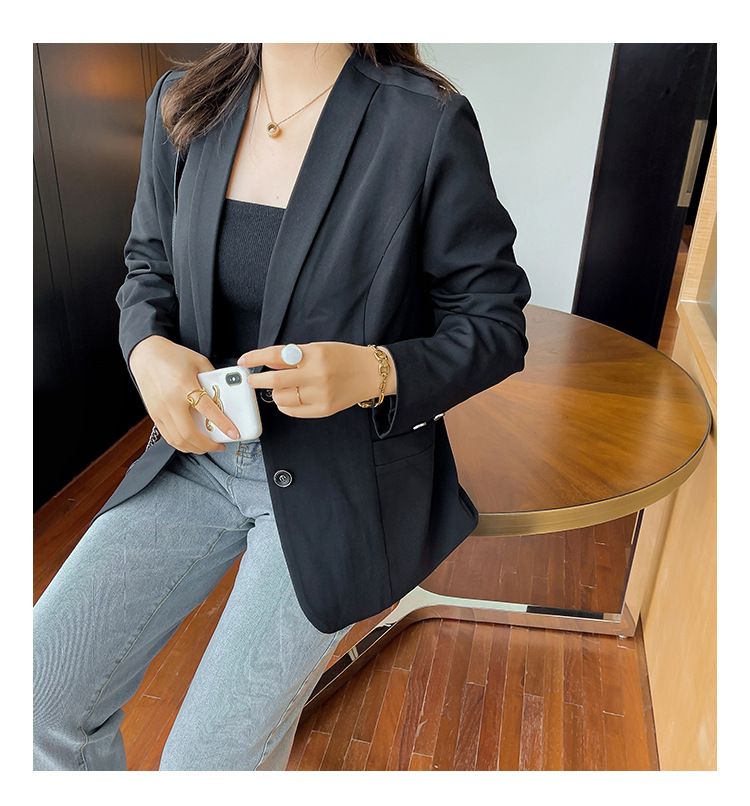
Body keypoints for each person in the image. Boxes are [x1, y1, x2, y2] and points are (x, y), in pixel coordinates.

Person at [33, 43, 532, 770]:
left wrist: (376, 370)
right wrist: (146, 350)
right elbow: (148, 265)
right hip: (197, 458)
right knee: (36, 699)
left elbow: (494, 324)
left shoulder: (424, 123)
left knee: (206, 765)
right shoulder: (183, 103)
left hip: (339, 480)